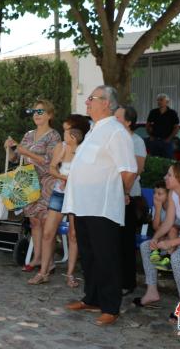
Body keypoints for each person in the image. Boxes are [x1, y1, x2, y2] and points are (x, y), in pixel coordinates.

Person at [63, 85, 137, 326]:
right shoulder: (95, 130)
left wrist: (121, 193)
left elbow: (128, 170)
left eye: (91, 98)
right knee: (90, 255)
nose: (87, 103)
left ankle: (110, 307)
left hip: (102, 207)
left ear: (106, 103)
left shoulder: (116, 132)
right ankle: (92, 298)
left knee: (106, 257)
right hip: (84, 205)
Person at [28, 114, 89, 287]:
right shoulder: (60, 147)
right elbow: (52, 168)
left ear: (76, 132)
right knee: (48, 232)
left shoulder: (85, 149)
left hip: (77, 195)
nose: (64, 133)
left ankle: (70, 275)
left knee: (74, 234)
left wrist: (72, 180)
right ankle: (43, 272)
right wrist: (64, 178)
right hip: (60, 193)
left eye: (67, 130)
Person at [134, 163, 180, 324]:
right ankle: (152, 291)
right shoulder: (174, 194)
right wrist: (156, 238)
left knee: (177, 258)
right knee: (146, 246)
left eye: (169, 175)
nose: (165, 178)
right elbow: (168, 222)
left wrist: (172, 243)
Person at [4, 99, 61, 272]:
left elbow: (51, 161)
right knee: (34, 222)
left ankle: (48, 262)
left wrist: (26, 151)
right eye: (35, 111)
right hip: (28, 181)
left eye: (40, 111)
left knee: (45, 223)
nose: (36, 114)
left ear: (50, 115)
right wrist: (9, 148)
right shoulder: (29, 134)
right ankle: (37, 258)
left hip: (47, 182)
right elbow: (15, 158)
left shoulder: (54, 136)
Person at [114, 105, 147, 295]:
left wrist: (125, 191)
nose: (114, 120)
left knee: (125, 240)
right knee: (114, 240)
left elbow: (137, 169)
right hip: (113, 195)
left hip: (128, 196)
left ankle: (127, 282)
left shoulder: (136, 141)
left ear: (128, 122)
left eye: (117, 117)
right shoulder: (114, 140)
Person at [146, 93, 180, 159]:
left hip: (167, 142)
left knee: (168, 162)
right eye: (158, 100)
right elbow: (147, 125)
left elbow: (176, 127)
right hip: (155, 141)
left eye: (161, 100)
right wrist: (151, 136)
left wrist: (169, 139)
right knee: (154, 160)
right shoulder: (153, 112)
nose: (159, 102)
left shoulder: (172, 113)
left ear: (167, 101)